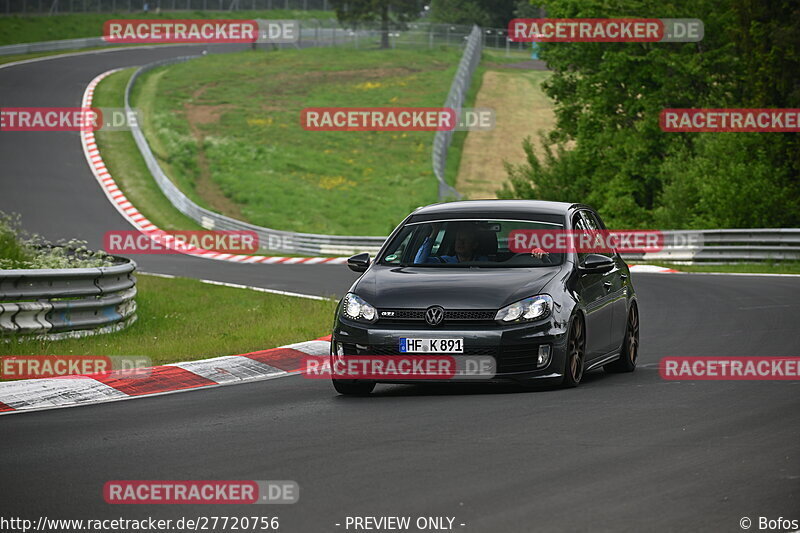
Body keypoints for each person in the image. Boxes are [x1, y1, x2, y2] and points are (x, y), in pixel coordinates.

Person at [414, 223, 487, 264]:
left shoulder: (485, 262)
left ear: (474, 245)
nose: (460, 243)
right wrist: (435, 231)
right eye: (458, 239)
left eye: (465, 240)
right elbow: (418, 262)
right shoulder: (444, 261)